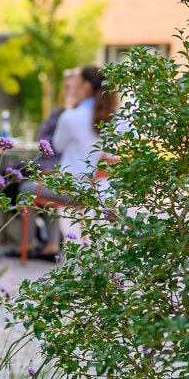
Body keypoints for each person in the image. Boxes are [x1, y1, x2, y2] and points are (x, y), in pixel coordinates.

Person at [19, 65, 119, 260]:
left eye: (77, 83)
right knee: (48, 181)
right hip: (103, 189)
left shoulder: (71, 117)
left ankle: (28, 245)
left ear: (86, 86)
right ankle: (51, 245)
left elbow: (57, 145)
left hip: (75, 188)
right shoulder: (116, 118)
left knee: (27, 188)